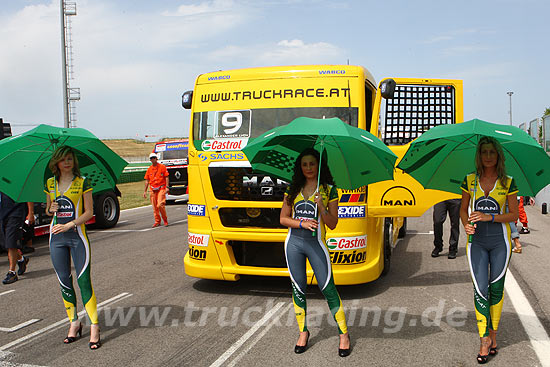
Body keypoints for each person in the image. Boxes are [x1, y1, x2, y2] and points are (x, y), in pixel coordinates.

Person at [280, 148, 351, 357]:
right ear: (300, 167)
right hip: (293, 244)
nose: (309, 168)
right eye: (305, 164)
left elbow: (333, 223)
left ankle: (343, 335)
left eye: (312, 164)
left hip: (316, 245)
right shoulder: (292, 189)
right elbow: (283, 219)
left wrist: (321, 207)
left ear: (319, 165)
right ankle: (303, 332)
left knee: (328, 288)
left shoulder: (329, 189)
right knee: (298, 288)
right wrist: (301, 222)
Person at [459, 137, 518, 364]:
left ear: (498, 155)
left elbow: (513, 215)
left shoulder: (508, 182)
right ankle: (484, 339)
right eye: (484, 152)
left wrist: (489, 217)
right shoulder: (470, 180)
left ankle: (493, 334)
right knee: (480, 288)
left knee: (496, 288)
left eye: (492, 152)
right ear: (479, 155)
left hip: (501, 242)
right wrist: (466, 223)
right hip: (477, 242)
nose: (488, 156)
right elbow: (463, 210)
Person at [45, 146, 101, 349]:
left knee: (83, 280)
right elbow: (49, 209)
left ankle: (94, 325)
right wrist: (50, 208)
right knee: (64, 280)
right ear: (56, 162)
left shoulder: (82, 181)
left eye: (70, 158)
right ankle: (74, 322)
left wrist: (70, 224)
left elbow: (89, 212)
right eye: (63, 159)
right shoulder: (50, 183)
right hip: (56, 239)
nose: (67, 162)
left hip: (77, 237)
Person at [0, 193, 32, 284]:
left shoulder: (13, 180)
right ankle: (21, 260)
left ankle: (12, 272)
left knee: (11, 243)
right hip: (2, 214)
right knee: (5, 244)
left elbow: (27, 194)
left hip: (15, 213)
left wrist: (30, 212)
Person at [143, 152, 169, 227]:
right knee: (154, 207)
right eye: (151, 158)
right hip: (153, 189)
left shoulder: (162, 167)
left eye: (154, 158)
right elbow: (147, 181)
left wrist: (167, 187)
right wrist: (145, 191)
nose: (153, 159)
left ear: (156, 158)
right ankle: (157, 221)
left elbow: (166, 177)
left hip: (161, 188)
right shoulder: (149, 169)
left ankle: (165, 220)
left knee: (160, 204)